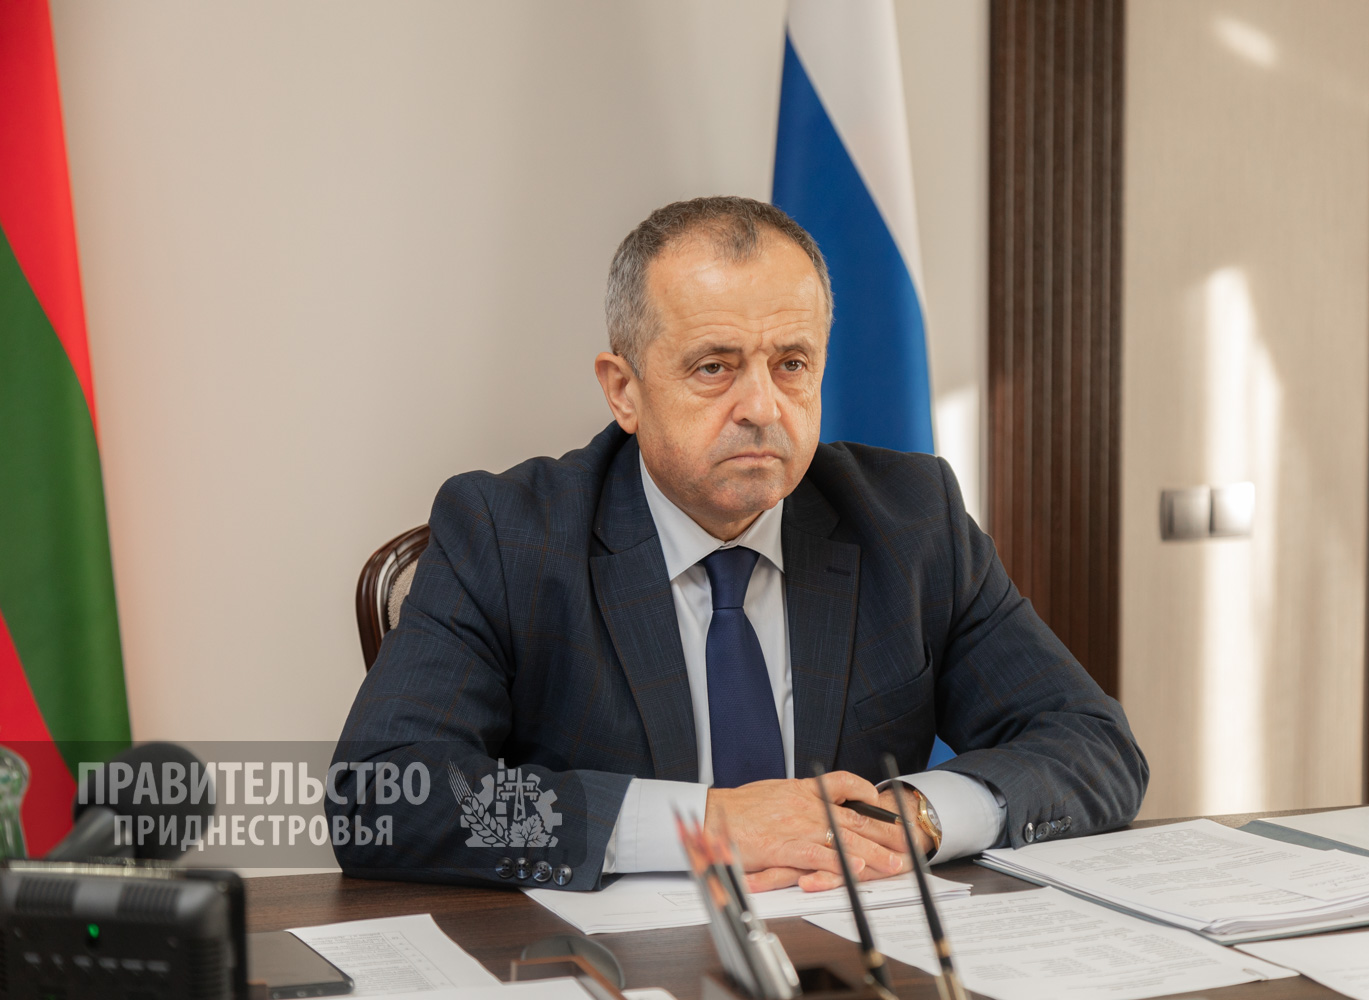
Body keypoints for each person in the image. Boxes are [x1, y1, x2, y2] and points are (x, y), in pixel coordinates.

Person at [329, 196, 1147, 892]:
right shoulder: (508, 534)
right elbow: (382, 796)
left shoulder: (910, 520)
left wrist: (915, 814)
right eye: (715, 367)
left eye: (791, 363)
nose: (762, 406)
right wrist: (706, 824)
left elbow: (1094, 743)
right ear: (624, 390)